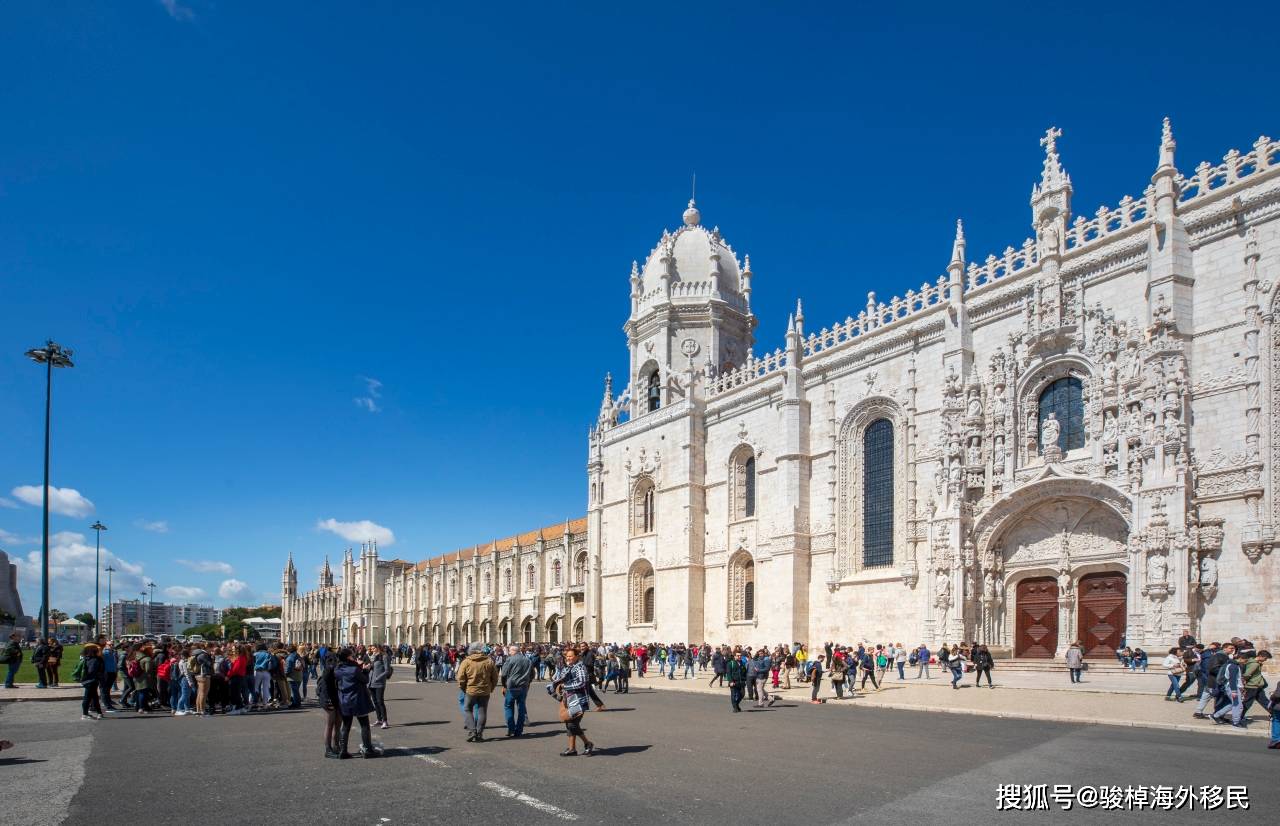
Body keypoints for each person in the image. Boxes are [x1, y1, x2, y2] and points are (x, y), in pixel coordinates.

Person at [333, 647, 380, 758]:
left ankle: (343, 751)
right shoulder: (354, 670)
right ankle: (368, 749)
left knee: (345, 726)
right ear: (348, 657)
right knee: (364, 725)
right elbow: (365, 680)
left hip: (344, 700)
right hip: (357, 700)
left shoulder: (338, 670)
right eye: (352, 655)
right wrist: (365, 670)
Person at [550, 646, 595, 756]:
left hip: (579, 700)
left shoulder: (580, 667)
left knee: (572, 724)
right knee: (569, 723)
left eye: (571, 656)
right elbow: (561, 678)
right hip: (569, 699)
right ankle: (572, 748)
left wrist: (565, 686)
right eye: (567, 656)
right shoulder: (568, 667)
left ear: (577, 657)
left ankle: (587, 743)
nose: (568, 658)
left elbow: (582, 683)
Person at [456, 641, 498, 743]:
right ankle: (479, 733)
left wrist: (463, 688)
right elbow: (495, 677)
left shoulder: (467, 661)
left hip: (470, 690)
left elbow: (460, 677)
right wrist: (491, 688)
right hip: (485, 690)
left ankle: (472, 731)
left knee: (467, 709)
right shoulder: (489, 661)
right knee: (482, 711)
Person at [499, 643, 534, 737]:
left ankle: (511, 728)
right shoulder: (528, 660)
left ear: (514, 651)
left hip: (512, 686)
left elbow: (504, 674)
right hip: (523, 687)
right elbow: (532, 674)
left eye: (510, 651)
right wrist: (528, 682)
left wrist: (504, 685)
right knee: (521, 707)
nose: (509, 653)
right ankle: (519, 730)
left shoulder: (510, 659)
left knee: (508, 706)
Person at [316, 646, 341, 757]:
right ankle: (328, 749)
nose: (335, 661)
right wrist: (332, 667)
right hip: (328, 696)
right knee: (330, 723)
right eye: (332, 659)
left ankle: (336, 746)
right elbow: (326, 679)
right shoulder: (329, 668)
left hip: (336, 695)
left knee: (338, 722)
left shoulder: (334, 665)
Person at [75, 644, 105, 720]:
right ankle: (85, 714)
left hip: (87, 680)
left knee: (94, 697)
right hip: (92, 680)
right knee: (88, 698)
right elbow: (92, 670)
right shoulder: (95, 659)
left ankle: (99, 713)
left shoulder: (86, 658)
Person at [368, 645, 390, 728]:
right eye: (371, 648)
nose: (372, 650)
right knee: (375, 702)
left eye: (373, 648)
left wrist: (378, 677)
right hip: (371, 682)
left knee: (380, 701)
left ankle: (385, 721)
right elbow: (372, 669)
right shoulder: (374, 657)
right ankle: (379, 720)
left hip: (379, 683)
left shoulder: (384, 657)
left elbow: (387, 670)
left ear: (378, 649)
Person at [725, 646, 747, 712]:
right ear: (734, 656)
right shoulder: (730, 663)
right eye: (738, 656)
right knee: (733, 695)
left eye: (740, 656)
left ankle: (736, 704)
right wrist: (731, 681)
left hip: (741, 682)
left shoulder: (742, 664)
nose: (739, 657)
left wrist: (745, 679)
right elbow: (728, 673)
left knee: (742, 694)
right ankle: (735, 708)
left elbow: (744, 672)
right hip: (734, 682)